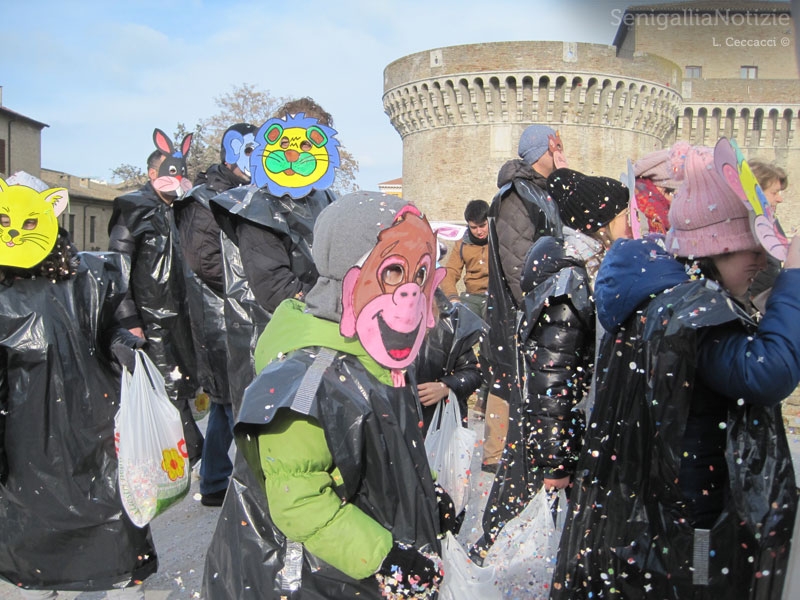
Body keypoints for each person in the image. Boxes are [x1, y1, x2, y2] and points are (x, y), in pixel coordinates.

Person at [551, 143, 800, 598]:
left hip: (662, 514)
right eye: (752, 249)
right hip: (690, 519)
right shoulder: (694, 313)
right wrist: (796, 282)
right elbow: (768, 372)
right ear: (716, 248)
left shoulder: (670, 295)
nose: (764, 261)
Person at [202, 191, 457, 599]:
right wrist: (384, 557)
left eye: (421, 275)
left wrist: (425, 493)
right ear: (352, 274)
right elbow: (298, 502)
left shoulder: (378, 359)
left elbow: (387, 449)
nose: (410, 293)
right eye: (393, 273)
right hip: (310, 575)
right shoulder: (307, 381)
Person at [0, 174, 157, 599]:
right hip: (26, 443)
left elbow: (111, 325)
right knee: (33, 556)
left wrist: (125, 345)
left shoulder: (89, 275)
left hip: (96, 432)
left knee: (114, 544)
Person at [472, 168, 632, 561]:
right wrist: (555, 458)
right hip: (551, 435)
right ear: (600, 222)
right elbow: (551, 376)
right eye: (623, 214)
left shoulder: (583, 271)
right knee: (517, 538)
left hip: (557, 430)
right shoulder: (570, 281)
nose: (630, 222)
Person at [209, 99, 338, 415]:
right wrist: (335, 307)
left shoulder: (326, 198)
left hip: (321, 336)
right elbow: (275, 288)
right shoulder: (258, 205)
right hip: (275, 341)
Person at [108, 128, 204, 466]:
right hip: (151, 318)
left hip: (185, 314)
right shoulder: (133, 209)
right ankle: (188, 453)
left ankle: (186, 452)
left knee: (188, 382)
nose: (181, 178)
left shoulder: (184, 209)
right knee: (168, 385)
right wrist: (130, 320)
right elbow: (117, 268)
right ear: (153, 174)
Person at [174, 123, 257, 507]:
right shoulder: (202, 200)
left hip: (243, 312)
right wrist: (252, 285)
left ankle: (219, 479)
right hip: (220, 317)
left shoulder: (250, 193)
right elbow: (203, 260)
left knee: (236, 402)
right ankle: (215, 482)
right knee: (227, 402)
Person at [482, 124, 567, 473]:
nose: (563, 152)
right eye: (557, 146)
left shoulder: (542, 192)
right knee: (508, 385)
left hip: (536, 311)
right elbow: (518, 266)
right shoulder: (517, 196)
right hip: (519, 316)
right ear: (544, 149)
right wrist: (540, 311)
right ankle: (501, 465)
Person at [439, 198, 491, 413]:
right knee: (460, 341)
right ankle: (461, 388)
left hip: (493, 297)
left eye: (482, 226)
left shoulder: (498, 239)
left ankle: (485, 394)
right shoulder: (462, 243)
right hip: (470, 296)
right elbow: (450, 272)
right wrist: (453, 297)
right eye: (474, 227)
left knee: (490, 345)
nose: (479, 231)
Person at [415, 287, 486, 436]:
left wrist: (446, 387)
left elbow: (472, 373)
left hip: (439, 428)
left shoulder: (450, 328)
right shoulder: (379, 331)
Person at [747, 159, 789, 302]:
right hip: (752, 301)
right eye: (774, 192)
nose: (780, 199)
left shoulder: (769, 220)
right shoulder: (745, 223)